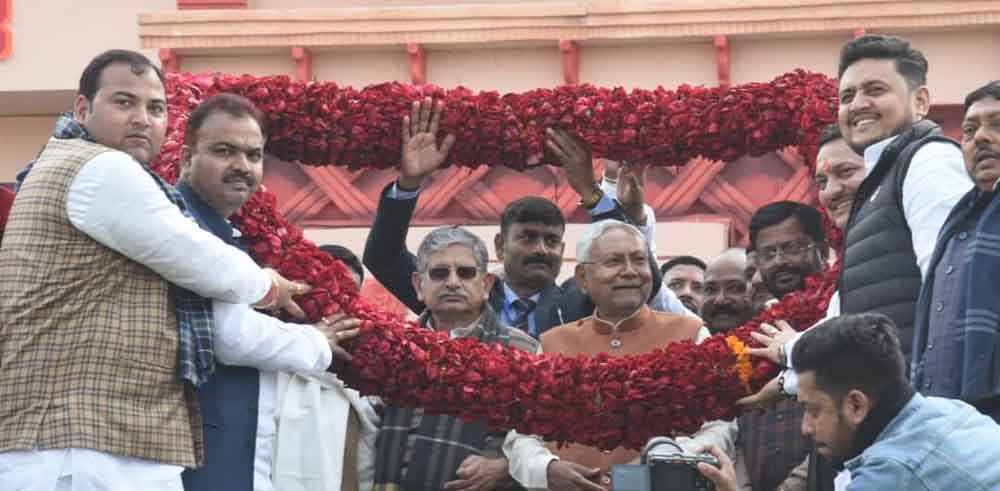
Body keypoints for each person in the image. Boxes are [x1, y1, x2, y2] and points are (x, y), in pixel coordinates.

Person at [0, 50, 304, 491]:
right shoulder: (98, 168)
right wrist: (268, 286)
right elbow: (199, 259)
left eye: (156, 107)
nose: (143, 118)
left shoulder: (70, 167)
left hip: (97, 445)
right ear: (83, 109)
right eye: (124, 102)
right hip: (81, 448)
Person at [363, 99, 686, 341]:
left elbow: (644, 280)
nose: (541, 250)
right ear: (501, 246)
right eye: (528, 238)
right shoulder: (460, 286)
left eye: (551, 241)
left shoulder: (579, 299)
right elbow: (383, 257)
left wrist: (590, 191)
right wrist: (409, 184)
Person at [172, 94, 363, 491]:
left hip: (232, 446)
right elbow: (228, 335)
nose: (242, 166)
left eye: (253, 155)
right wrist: (318, 340)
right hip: (195, 452)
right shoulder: (179, 227)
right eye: (224, 151)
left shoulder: (229, 235)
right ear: (188, 156)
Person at [503, 220, 733, 491]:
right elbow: (521, 437)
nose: (630, 272)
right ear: (582, 279)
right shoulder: (554, 343)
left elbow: (721, 425)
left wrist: (670, 457)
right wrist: (547, 469)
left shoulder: (691, 334)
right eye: (614, 261)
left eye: (639, 260)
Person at [699, 313, 1000, 491]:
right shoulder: (950, 412)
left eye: (813, 410)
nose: (806, 428)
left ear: (856, 405)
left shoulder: (893, 471)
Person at [834, 35, 972, 365]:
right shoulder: (882, 177)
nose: (857, 104)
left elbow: (953, 283)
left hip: (925, 401)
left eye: (875, 90)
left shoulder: (929, 160)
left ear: (921, 101)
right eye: (847, 96)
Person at [372, 226, 539, 490]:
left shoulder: (523, 350)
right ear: (418, 285)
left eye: (465, 273)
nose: (452, 282)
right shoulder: (393, 349)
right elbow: (367, 435)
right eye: (439, 273)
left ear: (485, 285)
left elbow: (538, 439)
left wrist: (505, 465)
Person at [911, 81, 1000, 422]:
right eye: (970, 129)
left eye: (997, 124)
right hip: (946, 419)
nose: (981, 137)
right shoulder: (960, 218)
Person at [700, 248, 753, 334]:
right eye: (711, 289)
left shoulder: (780, 344)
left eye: (735, 288)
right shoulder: (688, 340)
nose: (720, 300)